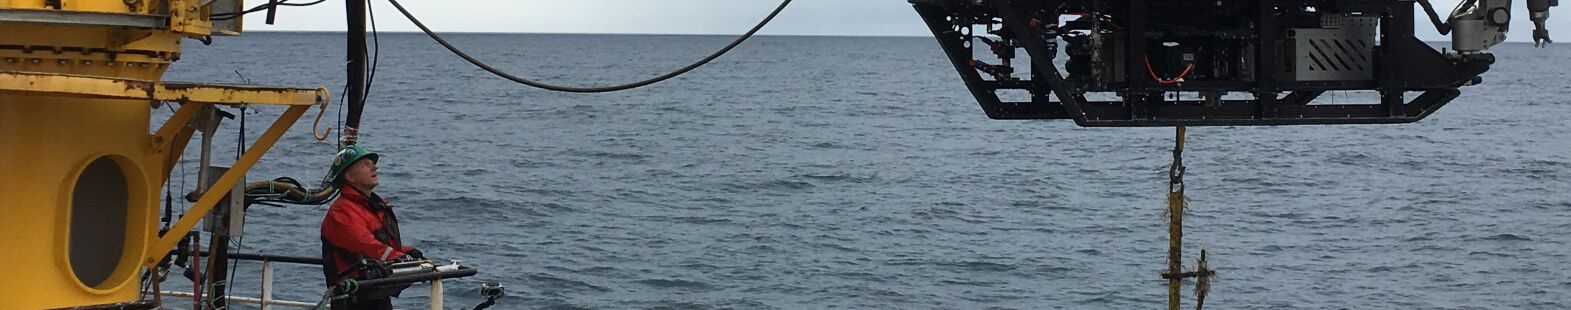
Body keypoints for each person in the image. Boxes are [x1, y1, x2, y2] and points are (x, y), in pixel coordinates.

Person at [319, 145, 424, 310]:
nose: (374, 167)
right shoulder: (342, 211)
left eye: (372, 163)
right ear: (350, 176)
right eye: (365, 165)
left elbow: (381, 243)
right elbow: (365, 245)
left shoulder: (371, 206)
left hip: (376, 293)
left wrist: (407, 252)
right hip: (353, 299)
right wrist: (401, 259)